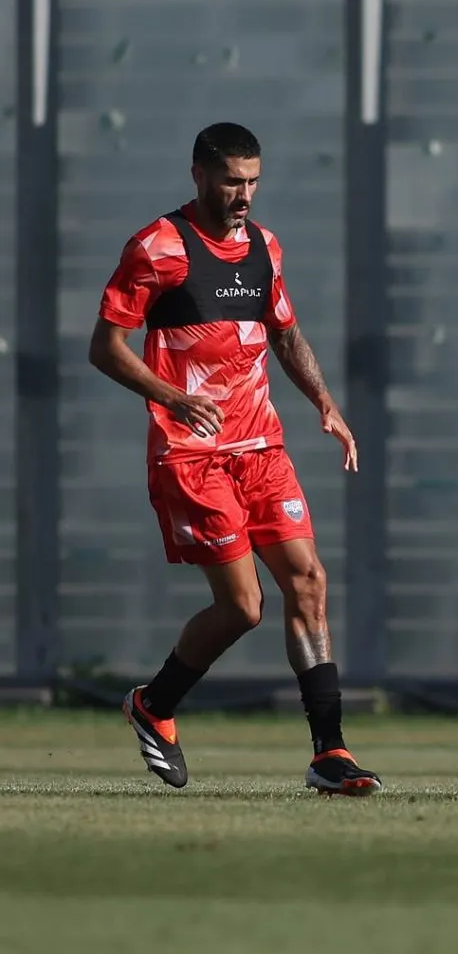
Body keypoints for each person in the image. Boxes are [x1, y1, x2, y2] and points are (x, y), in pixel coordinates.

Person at [89, 122, 381, 796]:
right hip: (192, 455)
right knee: (244, 607)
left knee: (308, 581)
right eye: (231, 181)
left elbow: (286, 330)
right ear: (198, 174)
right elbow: (105, 348)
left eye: (252, 180)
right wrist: (172, 397)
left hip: (261, 448)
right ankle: (154, 705)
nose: (244, 194)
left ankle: (329, 752)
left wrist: (325, 403)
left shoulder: (263, 247)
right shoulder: (158, 248)